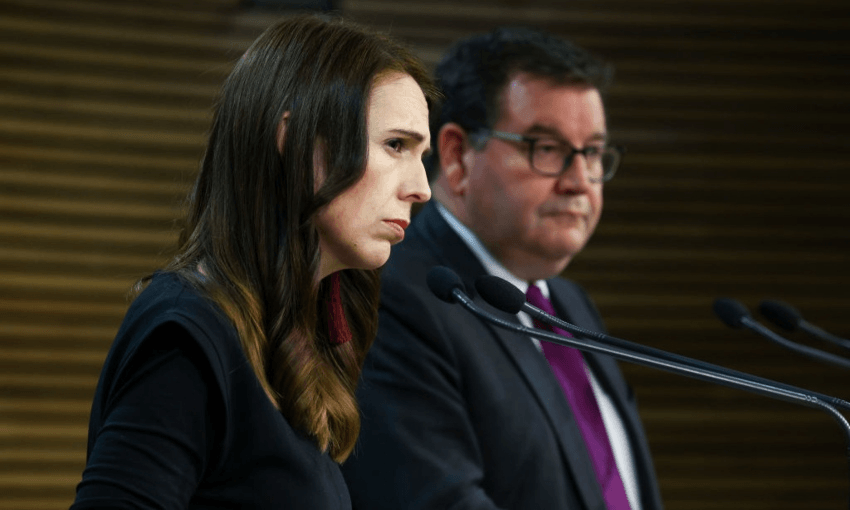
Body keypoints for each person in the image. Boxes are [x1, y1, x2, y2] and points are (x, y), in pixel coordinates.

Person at [70, 14, 434, 509]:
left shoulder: (290, 336)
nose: (421, 188)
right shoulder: (189, 334)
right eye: (396, 145)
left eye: (421, 154)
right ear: (295, 140)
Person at [342, 27, 663, 510]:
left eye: (592, 153)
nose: (579, 182)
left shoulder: (569, 303)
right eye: (547, 149)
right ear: (456, 156)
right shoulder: (396, 300)